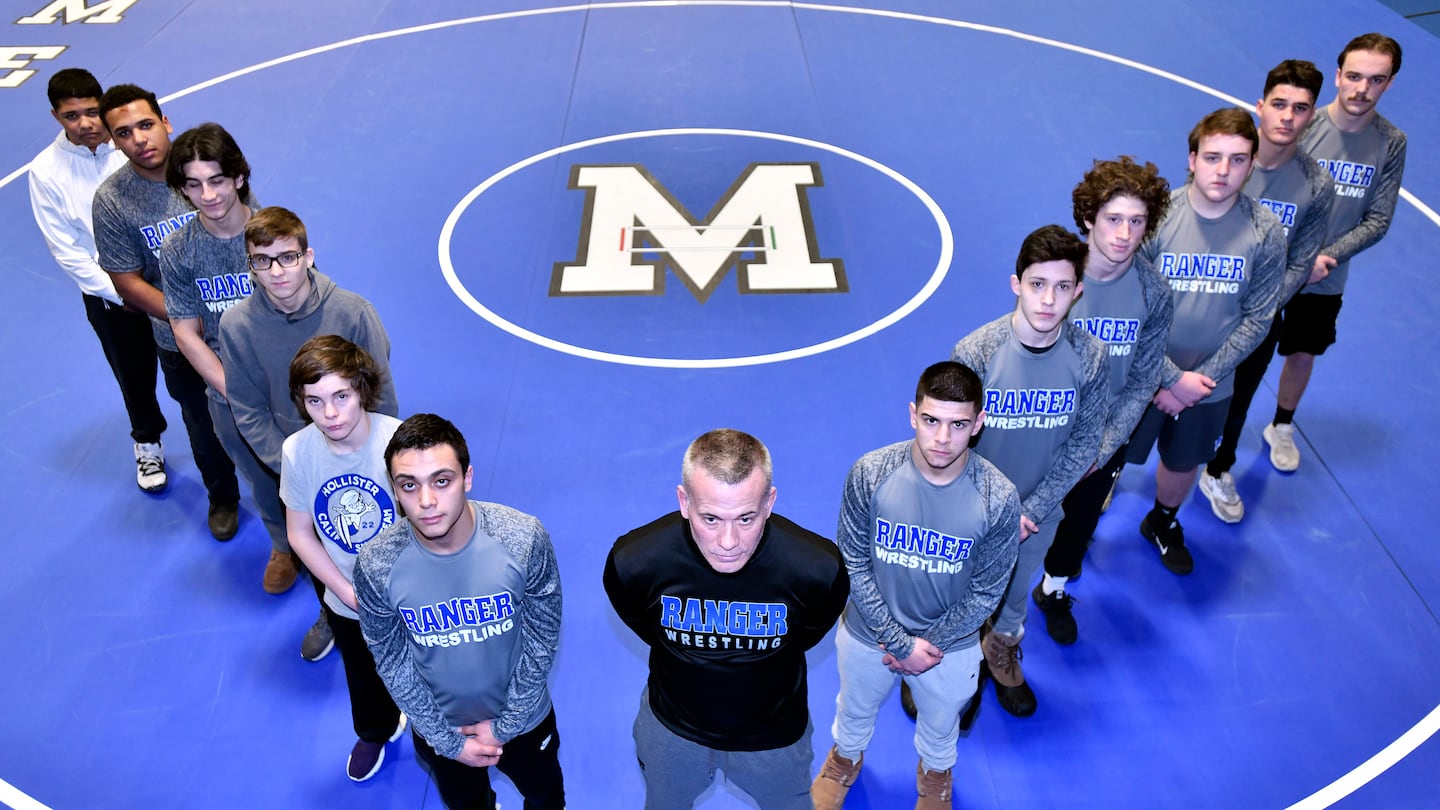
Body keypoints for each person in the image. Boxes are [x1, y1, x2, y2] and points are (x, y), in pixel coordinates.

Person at [604, 429, 848, 810]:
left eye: (746, 517)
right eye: (711, 518)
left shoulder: (817, 569)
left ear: (770, 502)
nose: (729, 541)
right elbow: (641, 622)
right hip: (672, 731)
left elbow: (810, 631)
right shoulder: (635, 562)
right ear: (684, 501)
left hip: (776, 738)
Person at [812, 362, 1019, 810]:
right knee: (853, 707)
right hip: (868, 634)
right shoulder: (870, 473)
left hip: (952, 648)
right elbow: (853, 561)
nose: (942, 439)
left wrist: (930, 642)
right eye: (931, 420)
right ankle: (844, 760)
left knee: (943, 723)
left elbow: (987, 590)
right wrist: (899, 641)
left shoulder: (998, 497)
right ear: (912, 414)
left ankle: (935, 777)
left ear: (979, 424)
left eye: (958, 424)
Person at [356, 414, 565, 810]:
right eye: (409, 485)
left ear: (467, 478)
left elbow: (542, 637)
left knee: (546, 799)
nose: (427, 501)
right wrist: (448, 740)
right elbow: (391, 658)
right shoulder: (377, 563)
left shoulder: (521, 538)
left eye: (441, 480)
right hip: (444, 732)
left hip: (525, 719)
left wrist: (505, 727)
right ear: (395, 490)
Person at [220, 205, 399, 659]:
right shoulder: (236, 326)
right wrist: (297, 468)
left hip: (364, 463)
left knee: (373, 546)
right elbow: (247, 406)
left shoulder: (355, 313)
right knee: (318, 547)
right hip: (294, 463)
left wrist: (383, 463)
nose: (277, 271)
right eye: (263, 260)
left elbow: (381, 397)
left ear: (308, 256)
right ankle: (334, 610)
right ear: (250, 265)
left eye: (288, 257)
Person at [949, 225, 1108, 716]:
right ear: (1016, 283)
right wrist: (992, 511)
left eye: (1063, 287)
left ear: (1078, 290)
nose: (1048, 300)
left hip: (1038, 512)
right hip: (971, 510)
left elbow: (1085, 442)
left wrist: (1033, 508)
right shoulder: (976, 353)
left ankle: (1000, 652)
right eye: (1037, 284)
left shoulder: (1089, 356)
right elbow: (950, 442)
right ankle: (948, 665)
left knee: (1016, 592)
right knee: (956, 591)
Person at [1129, 108, 1287, 575]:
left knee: (1184, 461)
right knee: (1111, 452)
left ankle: (1161, 520)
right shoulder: (1156, 221)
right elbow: (1130, 305)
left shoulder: (1265, 231)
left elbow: (1260, 317)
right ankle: (1088, 514)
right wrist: (1166, 377)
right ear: (1191, 159)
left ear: (1252, 164)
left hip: (1208, 383)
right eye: (1213, 157)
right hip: (1145, 374)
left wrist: (1200, 380)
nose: (1223, 170)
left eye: (1237, 159)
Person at [1032, 158, 1173, 645]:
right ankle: (992, 610)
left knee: (1080, 523)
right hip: (1039, 428)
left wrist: (1102, 447)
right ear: (1089, 218)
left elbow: (1142, 380)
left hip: (1103, 438)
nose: (1124, 234)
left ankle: (1053, 588)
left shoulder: (1153, 291)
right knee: (1019, 520)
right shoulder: (1057, 274)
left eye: (1137, 222)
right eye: (1114, 219)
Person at [92, 84, 241, 540]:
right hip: (179, 341)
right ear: (113, 142)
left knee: (274, 412)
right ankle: (223, 497)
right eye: (124, 133)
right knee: (202, 424)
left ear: (165, 122)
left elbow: (248, 230)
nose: (138, 138)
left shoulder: (203, 169)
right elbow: (127, 283)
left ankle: (287, 496)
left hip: (242, 325)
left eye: (145, 125)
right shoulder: (113, 201)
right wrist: (187, 319)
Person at [1197, 61, 1333, 523]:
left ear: (1313, 115)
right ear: (1261, 106)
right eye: (1278, 104)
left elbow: (1302, 262)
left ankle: (1218, 467)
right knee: (1153, 389)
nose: (1287, 117)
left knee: (1237, 401)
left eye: (1300, 108)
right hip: (1196, 299)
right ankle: (1113, 473)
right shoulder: (1228, 159)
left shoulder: (1316, 185)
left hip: (1256, 318)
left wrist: (1257, 310)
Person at [1267, 33, 1407, 472]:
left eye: (1376, 79)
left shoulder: (1391, 142)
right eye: (1354, 77)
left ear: (1390, 83)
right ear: (1338, 76)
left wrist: (1324, 258)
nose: (1362, 89)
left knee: (1303, 351)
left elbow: (1378, 219)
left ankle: (1282, 425)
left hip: (1326, 273)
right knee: (1236, 354)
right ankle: (1217, 431)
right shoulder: (1301, 125)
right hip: (1270, 267)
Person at [29, 69, 168, 494]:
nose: (86, 123)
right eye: (73, 116)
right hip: (113, 300)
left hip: (169, 281)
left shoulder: (132, 147)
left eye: (92, 111)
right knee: (133, 373)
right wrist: (119, 291)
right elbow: (67, 250)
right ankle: (147, 442)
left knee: (196, 366)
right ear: (56, 117)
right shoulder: (46, 172)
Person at [280, 336, 406, 781]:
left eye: (341, 397)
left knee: (431, 667)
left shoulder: (400, 442)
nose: (329, 414)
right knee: (362, 669)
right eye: (314, 400)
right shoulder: (297, 452)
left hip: (409, 592)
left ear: (363, 391)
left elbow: (433, 522)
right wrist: (345, 592)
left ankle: (439, 733)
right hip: (347, 595)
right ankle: (377, 729)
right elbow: (299, 534)